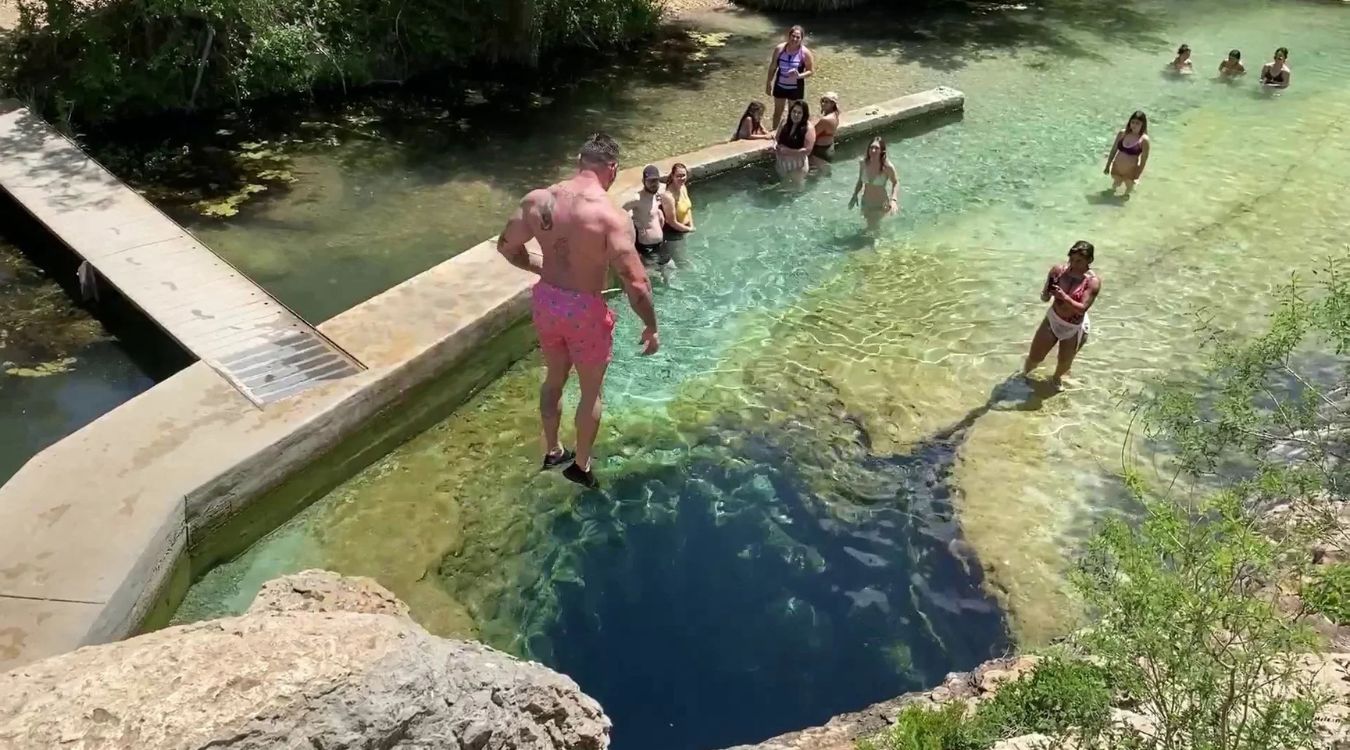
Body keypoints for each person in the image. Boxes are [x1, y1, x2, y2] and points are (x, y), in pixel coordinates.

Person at [496, 133, 660, 489]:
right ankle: (581, 466)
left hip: (547, 301)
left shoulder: (538, 200)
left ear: (579, 160)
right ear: (612, 168)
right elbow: (637, 284)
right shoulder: (610, 217)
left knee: (554, 378)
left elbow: (506, 247)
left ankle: (553, 450)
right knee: (590, 392)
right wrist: (651, 326)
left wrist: (541, 269)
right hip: (585, 309)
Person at [1022, 240, 1101, 384]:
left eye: (1079, 261)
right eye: (1071, 259)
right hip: (1054, 320)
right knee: (1035, 357)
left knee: (1063, 364)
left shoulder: (1092, 282)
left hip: (1074, 327)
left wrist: (1064, 297)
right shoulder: (1058, 271)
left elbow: (1082, 308)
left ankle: (1056, 380)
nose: (1073, 264)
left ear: (1089, 261)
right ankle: (1023, 379)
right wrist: (1047, 293)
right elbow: (1045, 297)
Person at [764, 25, 815, 130]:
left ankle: (790, 134)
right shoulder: (780, 49)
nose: (795, 39)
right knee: (777, 112)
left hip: (795, 88)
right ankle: (774, 133)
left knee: (794, 114)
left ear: (801, 39)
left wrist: (799, 75)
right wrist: (768, 83)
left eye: (798, 37)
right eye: (793, 36)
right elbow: (773, 66)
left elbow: (811, 71)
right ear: (789, 36)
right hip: (780, 85)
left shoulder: (805, 53)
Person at [623, 165, 670, 279]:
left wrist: (659, 213)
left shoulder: (656, 196)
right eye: (650, 181)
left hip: (660, 244)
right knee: (651, 276)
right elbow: (620, 213)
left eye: (656, 180)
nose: (654, 183)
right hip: (646, 246)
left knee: (670, 270)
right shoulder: (637, 199)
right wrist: (632, 224)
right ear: (644, 181)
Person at [848, 136, 898, 233]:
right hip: (866, 203)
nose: (873, 150)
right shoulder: (863, 163)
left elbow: (896, 183)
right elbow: (860, 181)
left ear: (882, 151)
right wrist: (854, 195)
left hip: (881, 205)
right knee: (870, 230)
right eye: (871, 147)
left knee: (874, 230)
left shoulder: (887, 167)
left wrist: (894, 200)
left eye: (877, 148)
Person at [1103, 110, 1150, 197]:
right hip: (1117, 167)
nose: (1134, 125)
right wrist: (1107, 165)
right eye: (1133, 122)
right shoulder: (1122, 134)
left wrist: (1138, 175)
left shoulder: (1144, 140)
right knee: (1114, 187)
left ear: (1143, 125)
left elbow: (1143, 160)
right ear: (1129, 122)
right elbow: (1113, 150)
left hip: (1130, 171)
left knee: (1127, 193)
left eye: (1138, 123)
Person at [659, 163, 695, 271]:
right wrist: (688, 229)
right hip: (672, 233)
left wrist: (691, 225)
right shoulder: (668, 196)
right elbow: (671, 222)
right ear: (673, 176)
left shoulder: (683, 187)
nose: (681, 178)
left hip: (683, 230)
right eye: (678, 176)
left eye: (683, 175)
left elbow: (688, 208)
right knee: (681, 262)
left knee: (682, 257)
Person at [775, 100, 816, 189]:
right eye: (794, 111)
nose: (796, 115)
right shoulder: (784, 122)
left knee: (793, 192)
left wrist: (789, 151)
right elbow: (777, 138)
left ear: (804, 115)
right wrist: (774, 147)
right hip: (782, 164)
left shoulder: (808, 128)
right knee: (782, 189)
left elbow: (808, 150)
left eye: (799, 113)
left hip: (797, 166)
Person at [813, 92, 840, 162]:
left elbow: (812, 134)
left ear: (833, 104)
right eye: (822, 101)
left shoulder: (825, 120)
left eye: (826, 102)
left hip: (820, 152)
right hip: (829, 148)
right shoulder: (835, 115)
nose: (823, 104)